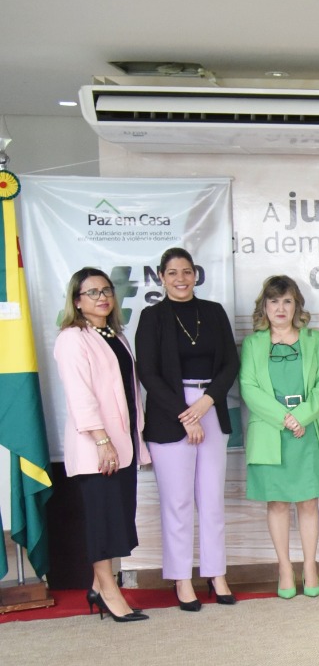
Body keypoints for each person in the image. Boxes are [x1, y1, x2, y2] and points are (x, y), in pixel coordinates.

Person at [134, 246, 239, 610]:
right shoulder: (152, 317)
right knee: (177, 502)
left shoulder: (213, 312)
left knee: (211, 500)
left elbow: (230, 363)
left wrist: (206, 402)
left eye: (187, 271)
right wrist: (186, 414)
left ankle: (216, 573)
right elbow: (148, 373)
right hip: (170, 415)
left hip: (210, 405)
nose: (181, 279)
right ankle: (181, 578)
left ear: (196, 275)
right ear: (161, 278)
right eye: (172, 273)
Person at [53, 268, 150, 621]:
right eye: (92, 292)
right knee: (102, 521)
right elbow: (80, 395)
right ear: (77, 301)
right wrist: (101, 439)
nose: (102, 297)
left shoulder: (115, 335)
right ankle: (109, 592)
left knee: (117, 517)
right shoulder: (72, 339)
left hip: (123, 444)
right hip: (97, 446)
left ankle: (97, 587)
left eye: (106, 290)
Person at [238, 276, 319, 599]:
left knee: (308, 501)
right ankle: (284, 567)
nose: (281, 308)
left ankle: (310, 567)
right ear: (264, 306)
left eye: (287, 301)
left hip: (308, 431)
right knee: (277, 502)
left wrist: (301, 417)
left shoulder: (315, 341)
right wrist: (285, 419)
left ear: (297, 306)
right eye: (274, 301)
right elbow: (249, 388)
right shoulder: (253, 344)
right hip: (271, 433)